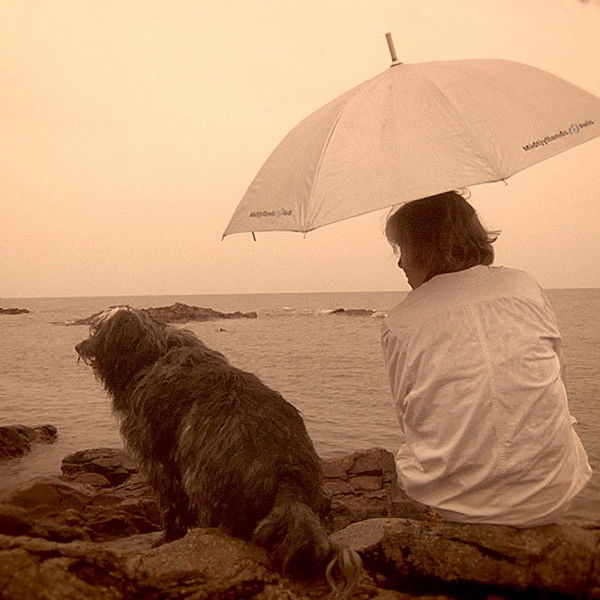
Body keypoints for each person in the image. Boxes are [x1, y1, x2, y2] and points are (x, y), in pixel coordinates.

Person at [381, 190, 591, 526]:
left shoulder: (399, 321)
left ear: (424, 250)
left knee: (411, 454)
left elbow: (409, 417)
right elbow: (558, 377)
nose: (400, 263)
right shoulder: (522, 285)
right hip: (552, 493)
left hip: (453, 503)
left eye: (403, 250)